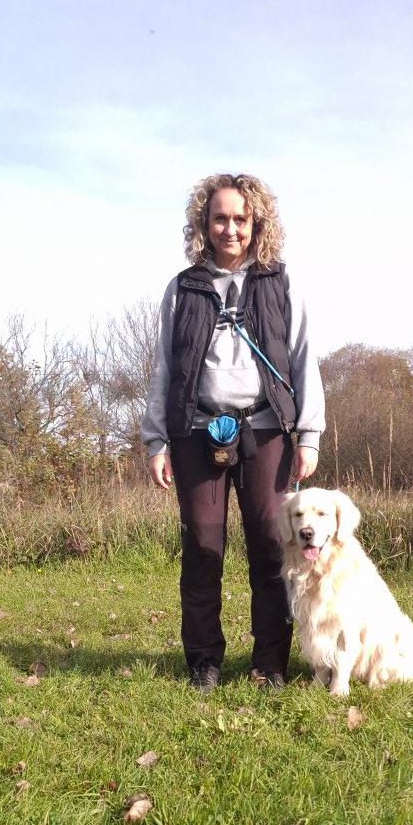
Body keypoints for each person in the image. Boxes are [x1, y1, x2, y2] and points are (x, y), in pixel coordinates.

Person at [141, 173, 325, 693]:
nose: (230, 229)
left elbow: (305, 356)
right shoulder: (183, 288)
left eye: (240, 219)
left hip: (267, 431)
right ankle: (204, 662)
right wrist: (156, 439)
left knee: (270, 547)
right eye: (220, 218)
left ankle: (270, 664)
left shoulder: (280, 283)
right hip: (197, 432)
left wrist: (308, 434)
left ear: (256, 222)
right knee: (203, 547)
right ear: (203, 223)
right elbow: (164, 367)